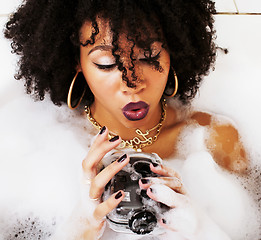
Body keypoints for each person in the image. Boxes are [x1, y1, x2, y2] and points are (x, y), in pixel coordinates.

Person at [3, 0, 254, 239]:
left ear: (173, 50)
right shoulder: (41, 146)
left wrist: (201, 230)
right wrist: (82, 227)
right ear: (75, 62)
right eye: (107, 63)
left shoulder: (215, 138)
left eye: (150, 56)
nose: (131, 84)